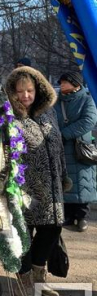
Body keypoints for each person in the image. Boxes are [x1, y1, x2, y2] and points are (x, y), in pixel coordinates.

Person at [6, 65, 67, 296]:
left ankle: (38, 275)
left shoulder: (48, 113)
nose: (25, 96)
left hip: (51, 185)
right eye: (20, 91)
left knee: (53, 228)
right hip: (23, 187)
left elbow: (58, 146)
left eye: (29, 90)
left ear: (38, 89)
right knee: (24, 235)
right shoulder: (8, 116)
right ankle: (23, 282)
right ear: (13, 92)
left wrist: (63, 175)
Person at [54, 71, 97, 232]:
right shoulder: (56, 101)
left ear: (76, 84)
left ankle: (82, 217)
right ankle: (69, 215)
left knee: (82, 181)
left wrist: (65, 134)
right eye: (61, 82)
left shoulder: (87, 99)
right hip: (60, 148)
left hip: (80, 149)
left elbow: (89, 120)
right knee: (66, 181)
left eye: (65, 82)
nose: (62, 84)